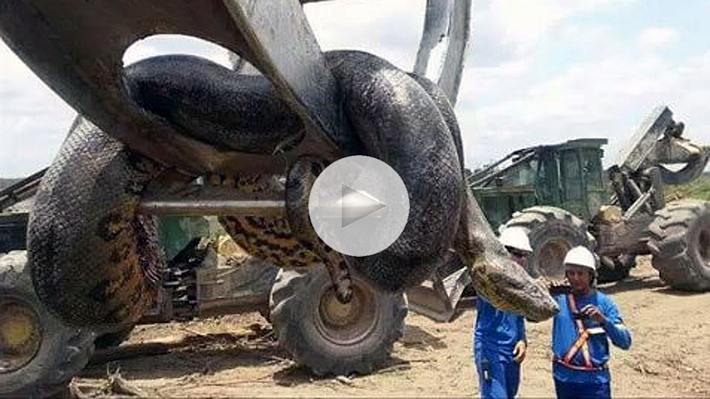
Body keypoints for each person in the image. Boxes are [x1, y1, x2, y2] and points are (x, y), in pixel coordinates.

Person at [551, 246, 632, 399]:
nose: (575, 278)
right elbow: (532, 317)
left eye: (580, 273)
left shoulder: (604, 303)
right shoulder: (559, 299)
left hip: (594, 382)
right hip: (564, 378)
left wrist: (603, 321)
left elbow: (625, 341)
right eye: (571, 273)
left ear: (591, 275)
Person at [473, 227, 531, 399]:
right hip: (490, 349)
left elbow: (519, 316)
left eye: (524, 255)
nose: (522, 260)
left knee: (511, 394)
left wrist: (522, 339)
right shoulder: (486, 279)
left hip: (512, 350)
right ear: (504, 252)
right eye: (518, 254)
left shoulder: (519, 283)